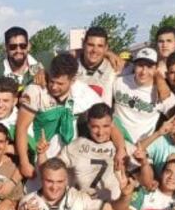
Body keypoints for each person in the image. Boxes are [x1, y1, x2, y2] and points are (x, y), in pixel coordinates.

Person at [14, 52, 108, 180]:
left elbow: (106, 117)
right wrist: (24, 162)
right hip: (41, 159)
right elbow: (21, 127)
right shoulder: (35, 90)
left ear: (73, 80)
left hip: (71, 162)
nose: (53, 87)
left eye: (60, 83)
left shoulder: (83, 91)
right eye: (51, 81)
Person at [57, 104, 123, 210]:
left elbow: (146, 178)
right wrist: (42, 155)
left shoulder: (122, 149)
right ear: (88, 125)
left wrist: (143, 163)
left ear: (112, 124)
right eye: (95, 127)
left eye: (105, 126)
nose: (100, 132)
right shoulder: (76, 146)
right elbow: (53, 169)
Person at [111, 47, 175, 150]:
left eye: (149, 66)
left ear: (155, 68)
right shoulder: (119, 82)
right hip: (114, 142)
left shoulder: (162, 93)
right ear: (134, 66)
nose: (143, 72)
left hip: (142, 146)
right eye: (140, 66)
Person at [75, 26, 118, 105]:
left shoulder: (114, 68)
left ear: (106, 48)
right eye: (91, 45)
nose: (94, 50)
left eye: (100, 46)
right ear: (83, 44)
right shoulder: (70, 66)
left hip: (101, 116)